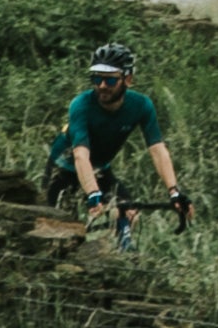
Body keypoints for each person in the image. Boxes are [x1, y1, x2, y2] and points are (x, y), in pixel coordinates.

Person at [46, 45, 185, 218]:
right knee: (61, 227)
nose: (102, 86)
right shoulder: (81, 104)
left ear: (127, 79)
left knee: (129, 215)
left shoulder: (141, 105)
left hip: (100, 168)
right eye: (97, 79)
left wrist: (174, 191)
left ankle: (117, 245)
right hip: (62, 169)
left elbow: (158, 150)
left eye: (110, 80)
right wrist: (93, 193)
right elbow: (80, 155)